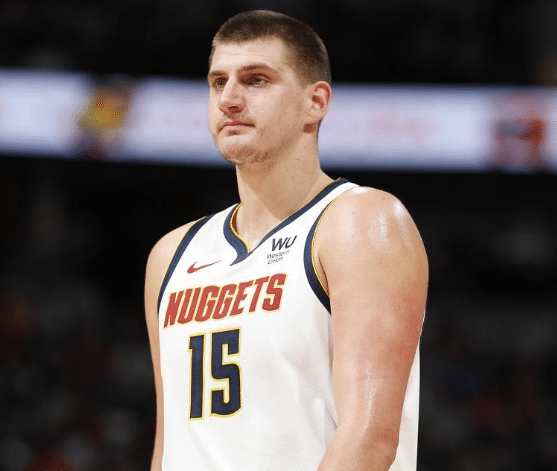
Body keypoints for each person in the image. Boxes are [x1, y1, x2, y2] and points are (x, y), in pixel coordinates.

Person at [144, 10, 428, 471]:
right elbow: (168, 446)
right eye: (218, 82)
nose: (229, 100)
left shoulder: (358, 223)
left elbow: (369, 440)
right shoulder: (172, 254)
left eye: (256, 80)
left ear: (316, 102)